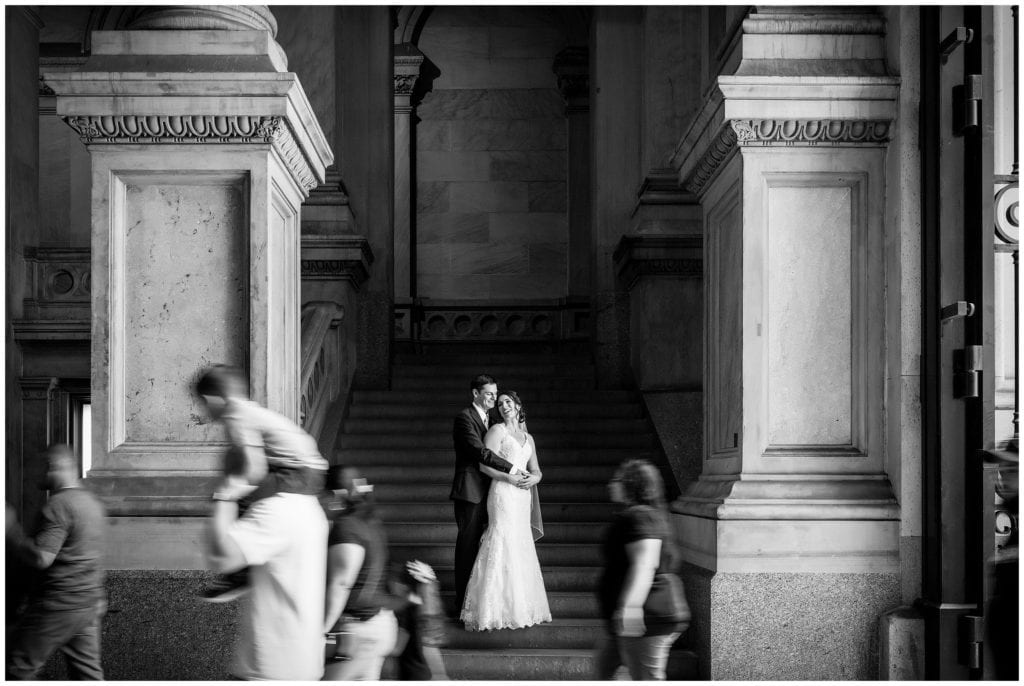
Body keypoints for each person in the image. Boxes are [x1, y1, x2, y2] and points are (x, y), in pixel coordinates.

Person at [193, 364, 328, 601]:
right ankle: (243, 569)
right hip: (307, 471)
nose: (201, 410)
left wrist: (232, 492)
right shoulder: (247, 411)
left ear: (212, 399)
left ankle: (241, 573)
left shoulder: (236, 414)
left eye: (202, 403)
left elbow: (254, 467)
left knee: (240, 497)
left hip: (298, 474)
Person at [204, 449, 327, 679]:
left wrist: (224, 495)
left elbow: (221, 558)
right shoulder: (309, 506)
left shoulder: (277, 510)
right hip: (299, 660)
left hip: (271, 667)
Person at [6, 444, 107, 680]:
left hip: (56, 606)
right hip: (87, 605)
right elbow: (94, 555)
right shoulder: (93, 504)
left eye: (41, 468)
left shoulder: (59, 505)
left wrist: (10, 529)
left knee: (16, 670)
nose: (36, 474)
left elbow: (42, 558)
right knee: (88, 675)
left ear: (55, 467)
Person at [460, 391, 551, 631]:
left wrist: (535, 479)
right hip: (502, 491)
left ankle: (520, 607)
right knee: (500, 539)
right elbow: (484, 465)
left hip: (522, 496)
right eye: (500, 404)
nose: (504, 406)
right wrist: (509, 479)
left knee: (519, 542)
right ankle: (491, 609)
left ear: (519, 406)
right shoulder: (497, 431)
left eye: (508, 402)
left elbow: (536, 469)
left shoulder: (528, 438)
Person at [594, 458, 687, 680]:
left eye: (617, 479)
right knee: (604, 671)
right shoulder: (640, 515)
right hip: (624, 620)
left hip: (645, 619)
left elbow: (645, 563)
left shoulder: (641, 517)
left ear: (631, 484)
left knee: (647, 679)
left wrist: (631, 607)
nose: (611, 484)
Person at [450, 374, 533, 612]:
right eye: (489, 394)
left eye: (495, 395)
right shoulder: (465, 418)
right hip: (470, 491)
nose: (494, 399)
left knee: (487, 547)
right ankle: (462, 604)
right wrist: (514, 468)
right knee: (468, 547)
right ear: (475, 394)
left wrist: (531, 475)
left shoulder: (492, 419)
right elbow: (481, 453)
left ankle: (482, 601)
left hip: (492, 491)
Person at [323, 465, 400, 680]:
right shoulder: (369, 520)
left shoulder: (347, 527)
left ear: (336, 494)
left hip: (358, 629)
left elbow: (342, 582)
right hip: (377, 623)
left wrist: (323, 630)